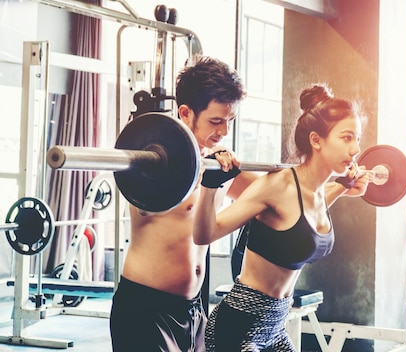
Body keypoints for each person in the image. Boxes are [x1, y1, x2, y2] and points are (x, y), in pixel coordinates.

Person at [194, 83, 370, 351]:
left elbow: (303, 217)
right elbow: (205, 234)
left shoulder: (318, 193)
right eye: (347, 138)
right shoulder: (279, 186)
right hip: (238, 327)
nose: (356, 148)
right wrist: (210, 185)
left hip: (274, 325)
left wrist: (344, 187)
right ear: (316, 140)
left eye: (357, 138)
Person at [109, 56, 258, 352]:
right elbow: (147, 205)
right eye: (216, 121)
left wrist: (334, 182)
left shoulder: (217, 163)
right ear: (186, 113)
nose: (224, 131)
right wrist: (202, 172)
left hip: (193, 312)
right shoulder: (153, 162)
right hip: (145, 310)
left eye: (230, 121)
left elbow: (271, 194)